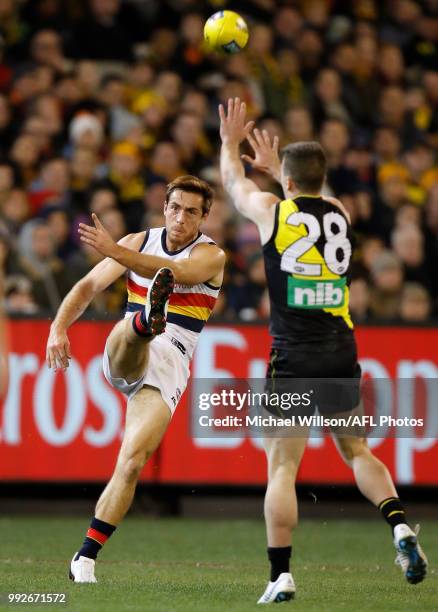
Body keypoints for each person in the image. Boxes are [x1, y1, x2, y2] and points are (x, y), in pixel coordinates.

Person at [218, 98, 427, 604]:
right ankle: (399, 528)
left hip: (292, 357)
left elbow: (234, 185)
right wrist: (284, 171)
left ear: (284, 181)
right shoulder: (339, 212)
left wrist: (229, 145)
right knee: (357, 450)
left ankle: (280, 574)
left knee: (283, 467)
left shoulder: (272, 211)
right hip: (340, 350)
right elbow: (313, 198)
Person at [46, 175, 225, 583]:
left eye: (191, 212)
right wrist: (58, 328)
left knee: (131, 464)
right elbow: (89, 286)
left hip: (171, 362)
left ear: (204, 217)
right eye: (175, 208)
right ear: (164, 207)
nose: (181, 218)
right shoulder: (137, 241)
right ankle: (146, 319)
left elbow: (178, 271)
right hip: (128, 346)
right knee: (130, 330)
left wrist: (112, 250)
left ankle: (85, 558)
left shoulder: (213, 256)